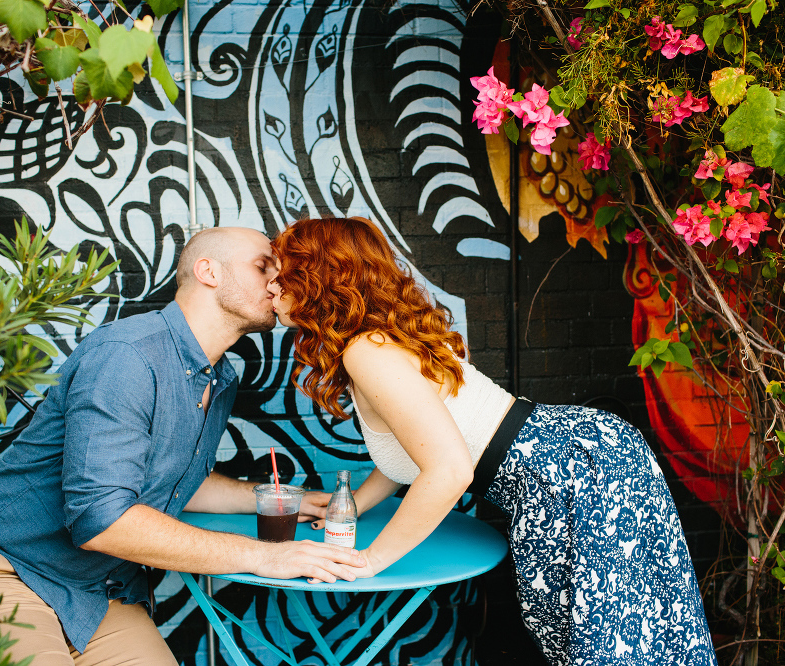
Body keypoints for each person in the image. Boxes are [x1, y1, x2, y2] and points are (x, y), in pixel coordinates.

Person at [267, 217, 718, 666]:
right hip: (583, 457)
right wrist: (352, 506)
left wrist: (371, 560)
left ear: (319, 278)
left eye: (281, 272)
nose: (271, 286)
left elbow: (449, 470)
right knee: (638, 638)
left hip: (573, 476)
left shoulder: (367, 351)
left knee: (608, 646)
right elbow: (409, 449)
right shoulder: (378, 340)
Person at [0, 226, 364, 666]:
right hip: (0, 571)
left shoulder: (219, 376)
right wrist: (266, 556)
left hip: (95, 594)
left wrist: (293, 500)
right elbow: (102, 521)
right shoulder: (128, 355)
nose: (279, 282)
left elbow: (178, 482)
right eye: (262, 267)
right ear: (208, 272)